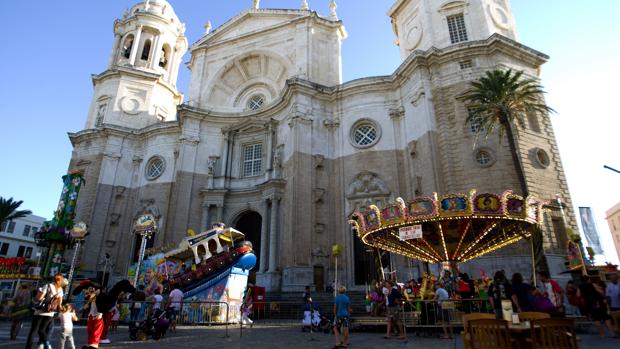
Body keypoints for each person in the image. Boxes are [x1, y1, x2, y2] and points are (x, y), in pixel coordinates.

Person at [26, 273, 64, 349]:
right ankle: (47, 345)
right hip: (50, 313)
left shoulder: (48, 286)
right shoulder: (60, 290)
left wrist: (37, 294)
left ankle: (28, 347)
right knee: (42, 330)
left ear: (54, 279)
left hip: (40, 311)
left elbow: (39, 298)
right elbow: (60, 304)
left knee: (34, 330)